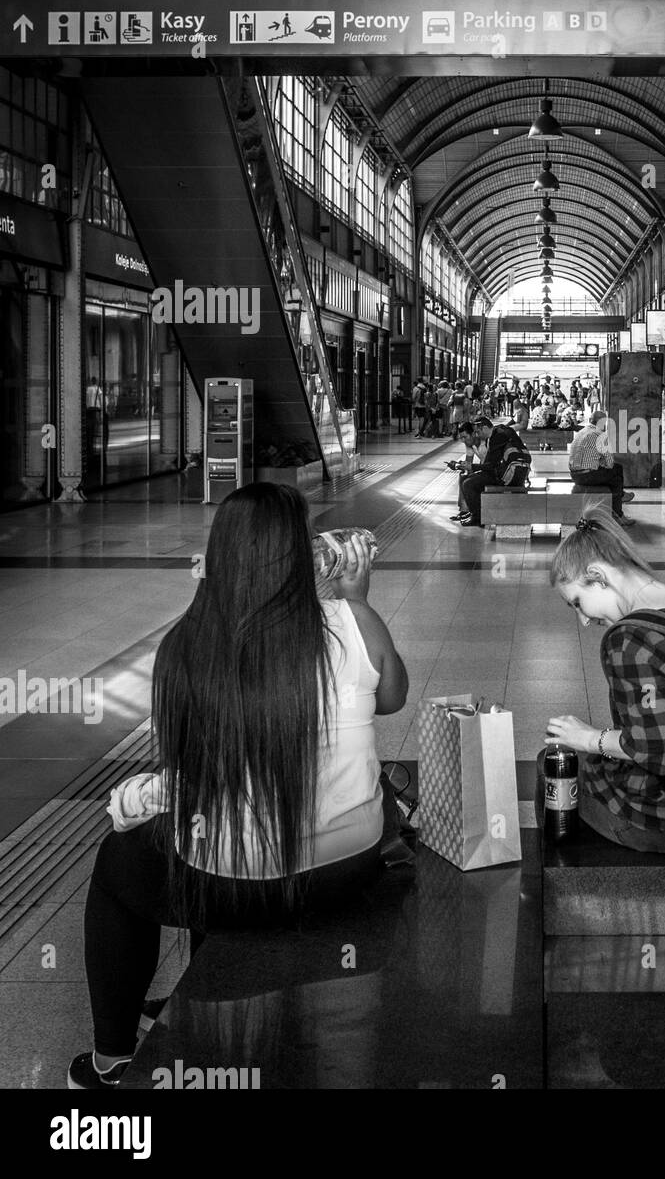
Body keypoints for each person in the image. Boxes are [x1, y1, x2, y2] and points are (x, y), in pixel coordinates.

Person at [70, 483, 407, 1089]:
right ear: (301, 553)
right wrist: (359, 599)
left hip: (233, 883)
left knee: (121, 863)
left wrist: (150, 798)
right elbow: (392, 700)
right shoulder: (352, 621)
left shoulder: (186, 644)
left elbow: (196, 779)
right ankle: (209, 994)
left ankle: (111, 1059)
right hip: (350, 867)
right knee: (221, 831)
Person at [544, 509, 665, 855]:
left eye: (577, 603)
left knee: (553, 766)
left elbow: (662, 752)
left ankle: (563, 895)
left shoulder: (631, 639)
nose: (583, 620)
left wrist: (590, 739)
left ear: (596, 575)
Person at [449, 417, 532, 528]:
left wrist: (473, 467)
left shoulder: (496, 437)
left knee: (468, 483)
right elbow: (492, 464)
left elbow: (491, 465)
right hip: (515, 472)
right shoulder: (503, 430)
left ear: (484, 428)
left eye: (478, 431)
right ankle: (472, 513)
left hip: (507, 476)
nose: (477, 435)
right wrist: (469, 467)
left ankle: (478, 518)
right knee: (466, 479)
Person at [569, 409, 636, 523]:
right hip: (588, 476)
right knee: (616, 471)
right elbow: (610, 463)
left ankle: (621, 494)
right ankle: (618, 513)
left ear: (591, 420)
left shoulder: (581, 432)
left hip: (574, 475)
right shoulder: (600, 435)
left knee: (608, 473)